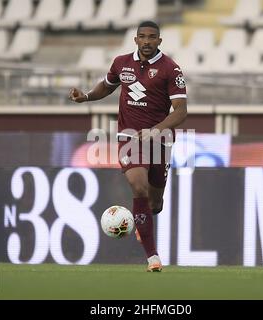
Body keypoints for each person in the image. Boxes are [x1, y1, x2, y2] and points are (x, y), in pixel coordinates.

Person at [69, 20, 187, 272]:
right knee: (137, 184)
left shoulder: (170, 69)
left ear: (159, 41)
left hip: (160, 140)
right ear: (135, 40)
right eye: (142, 37)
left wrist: (155, 130)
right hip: (129, 137)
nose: (146, 41)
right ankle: (152, 257)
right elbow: (107, 86)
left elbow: (181, 112)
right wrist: (86, 96)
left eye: (152, 37)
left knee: (154, 203)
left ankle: (144, 220)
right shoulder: (121, 63)